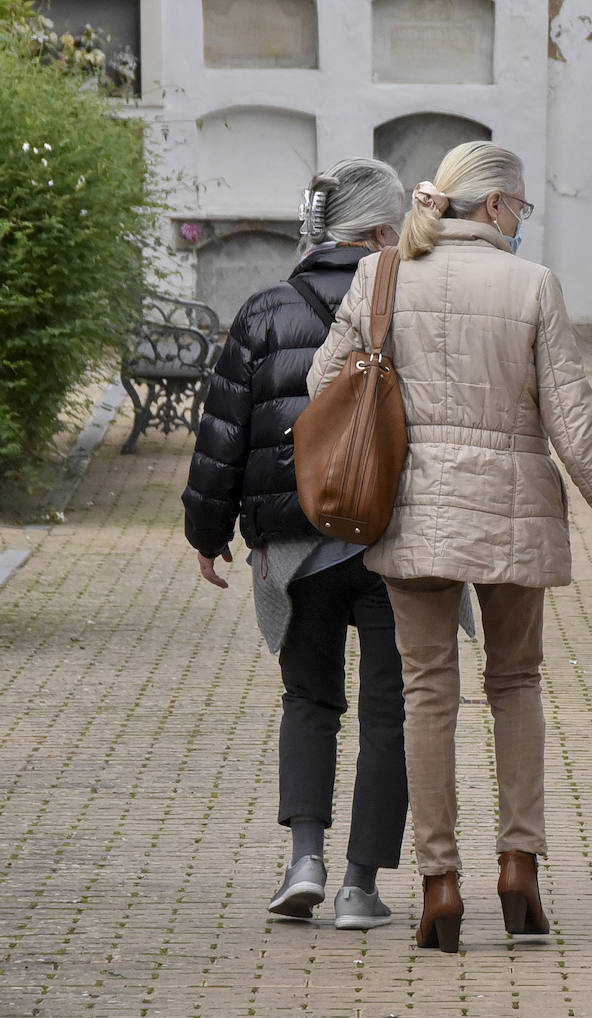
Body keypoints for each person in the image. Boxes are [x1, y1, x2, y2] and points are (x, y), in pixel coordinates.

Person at [307, 141, 592, 953]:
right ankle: (520, 867)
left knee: (425, 691)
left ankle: (439, 883)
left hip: (411, 510)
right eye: (523, 210)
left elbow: (321, 387)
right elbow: (574, 431)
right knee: (514, 681)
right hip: (512, 512)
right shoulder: (533, 285)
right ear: (500, 206)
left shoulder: (383, 275)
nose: (521, 223)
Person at [182, 157, 429, 931]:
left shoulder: (264, 310)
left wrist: (207, 530)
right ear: (384, 231)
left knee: (310, 699)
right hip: (393, 541)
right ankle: (360, 887)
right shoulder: (414, 305)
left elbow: (223, 429)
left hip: (296, 546)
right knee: (391, 713)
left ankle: (304, 862)